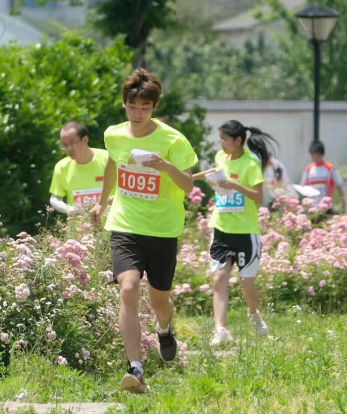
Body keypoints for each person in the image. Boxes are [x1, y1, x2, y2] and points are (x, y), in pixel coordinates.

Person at [89, 69, 198, 394]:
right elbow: (112, 165)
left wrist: (165, 166)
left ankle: (164, 329)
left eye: (145, 108)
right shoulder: (115, 135)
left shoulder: (172, 140)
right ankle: (135, 369)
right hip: (125, 225)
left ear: (154, 107)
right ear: (124, 104)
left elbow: (189, 185)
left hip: (162, 230)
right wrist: (102, 203)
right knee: (128, 288)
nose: (138, 114)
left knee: (160, 300)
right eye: (132, 107)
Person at [192, 120, 273, 346]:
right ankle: (220, 330)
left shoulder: (250, 164)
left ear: (238, 141)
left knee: (247, 283)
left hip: (245, 232)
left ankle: (254, 314)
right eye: (220, 138)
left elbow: (258, 198)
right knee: (219, 279)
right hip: (221, 229)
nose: (221, 143)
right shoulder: (220, 157)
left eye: (225, 139)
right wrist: (192, 177)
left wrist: (234, 186)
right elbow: (214, 171)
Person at [49, 122, 110, 214]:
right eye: (64, 145)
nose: (69, 149)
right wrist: (69, 209)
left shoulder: (108, 159)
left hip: (109, 225)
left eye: (72, 144)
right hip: (79, 226)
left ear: (85, 140)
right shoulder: (61, 167)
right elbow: (55, 198)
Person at [300, 141, 346, 213]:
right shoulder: (308, 169)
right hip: (312, 208)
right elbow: (302, 188)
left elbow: (338, 185)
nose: (315, 158)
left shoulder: (330, 168)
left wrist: (343, 202)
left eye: (317, 155)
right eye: (313, 156)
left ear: (322, 154)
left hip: (326, 207)